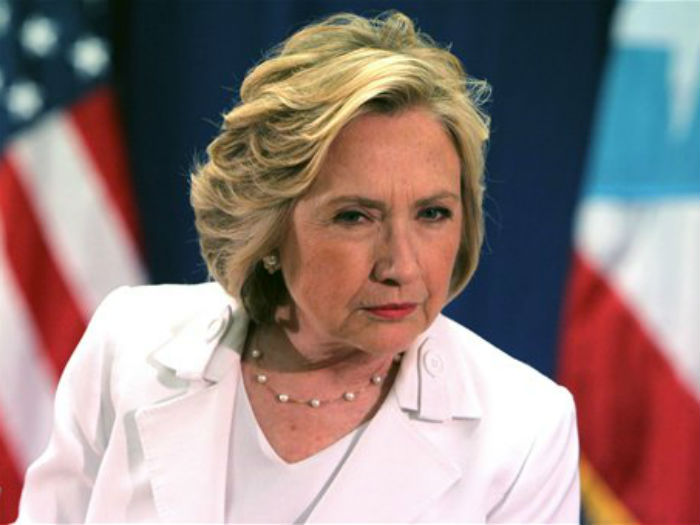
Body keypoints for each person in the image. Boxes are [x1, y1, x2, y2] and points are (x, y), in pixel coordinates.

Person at [16, 11, 579, 523]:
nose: (401, 264)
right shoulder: (129, 343)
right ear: (269, 225)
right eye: (355, 216)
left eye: (433, 213)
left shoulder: (524, 429)